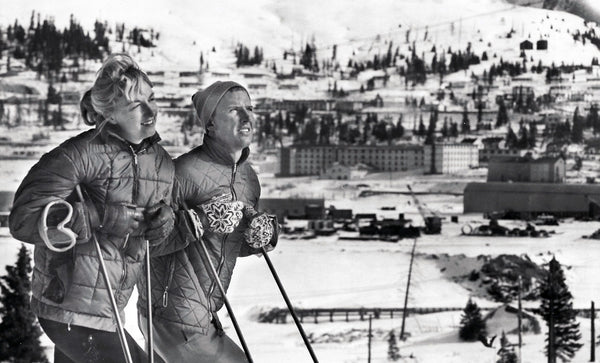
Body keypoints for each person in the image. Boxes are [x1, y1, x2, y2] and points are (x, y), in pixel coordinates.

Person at [9, 54, 183, 363]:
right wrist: (98, 216)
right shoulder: (79, 155)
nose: (150, 111)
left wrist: (164, 223)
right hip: (67, 309)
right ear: (111, 114)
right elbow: (23, 219)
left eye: (152, 99)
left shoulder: (162, 166)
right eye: (135, 106)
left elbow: (156, 241)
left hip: (111, 310)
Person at [137, 81, 278, 362]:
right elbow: (146, 244)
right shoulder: (182, 172)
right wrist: (199, 220)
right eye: (234, 110)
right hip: (172, 314)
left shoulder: (248, 179)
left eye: (249, 108)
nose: (247, 117)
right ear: (210, 125)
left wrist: (258, 236)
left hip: (205, 311)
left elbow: (227, 242)